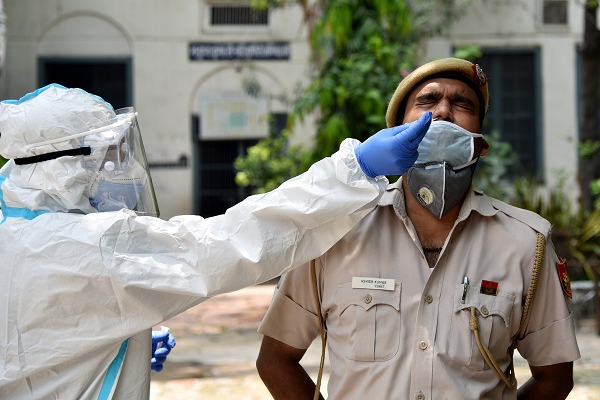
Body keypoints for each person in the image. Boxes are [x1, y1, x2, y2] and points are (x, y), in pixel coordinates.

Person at [0, 83, 431, 400]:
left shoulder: (16, 226)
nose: (121, 168)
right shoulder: (92, 244)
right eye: (110, 157)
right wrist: (353, 170)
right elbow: (226, 244)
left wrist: (100, 339)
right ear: (64, 164)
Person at [256, 58, 581, 400]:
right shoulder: (336, 231)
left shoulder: (527, 244)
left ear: (480, 146)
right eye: (427, 101)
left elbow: (555, 377)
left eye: (462, 103)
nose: (442, 112)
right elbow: (276, 360)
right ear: (396, 135)